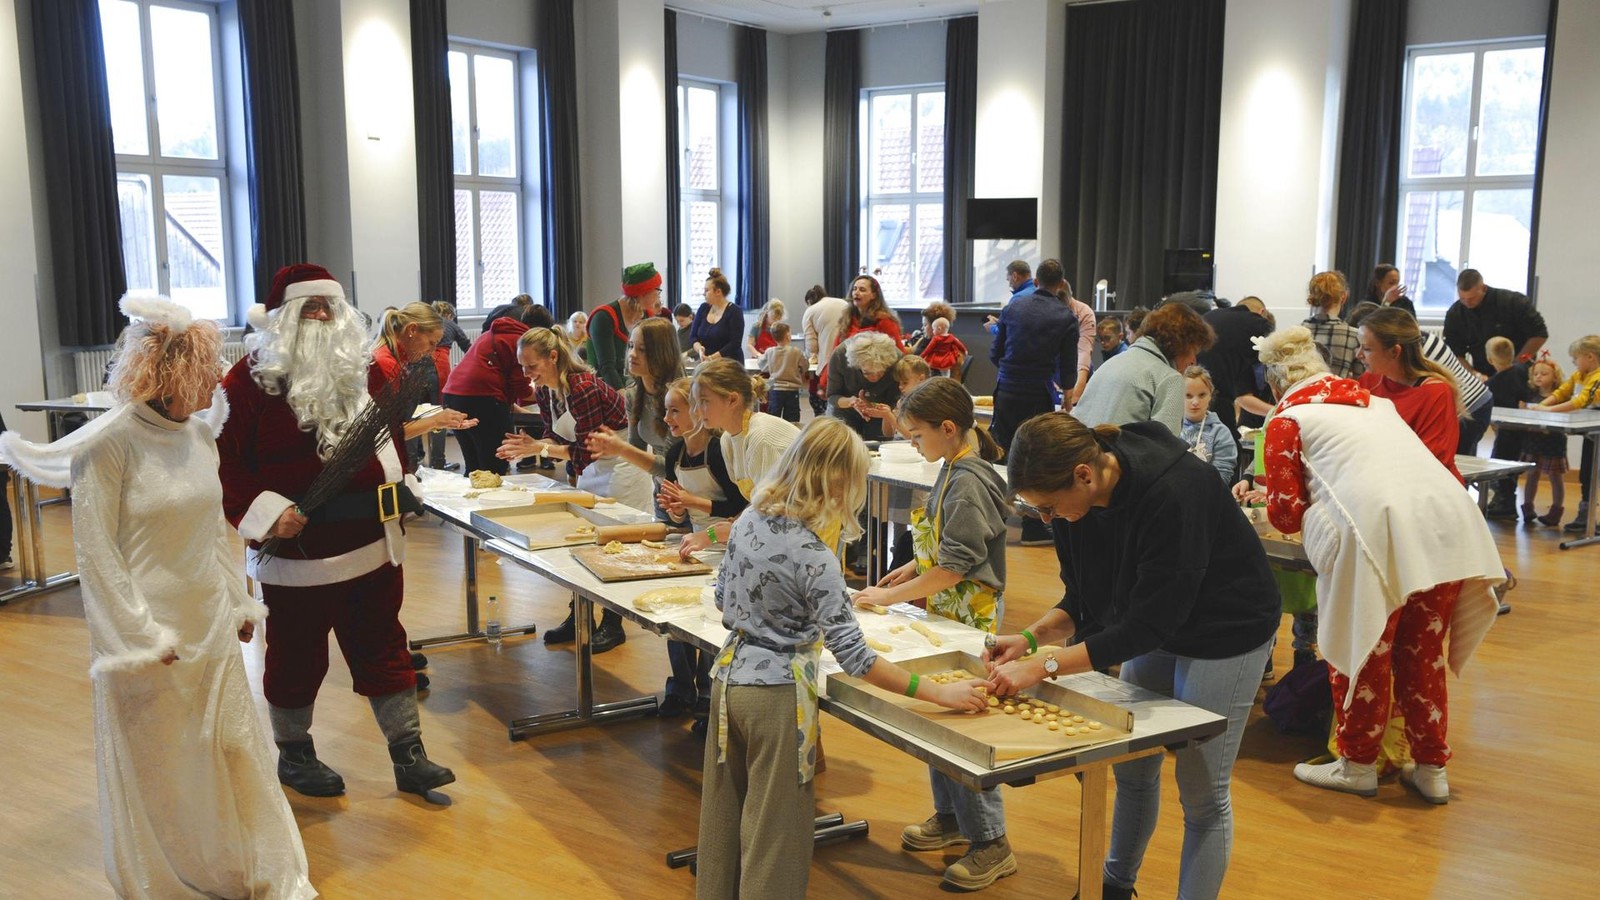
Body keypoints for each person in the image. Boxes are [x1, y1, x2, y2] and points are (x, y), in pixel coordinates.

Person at [0, 294, 316, 899]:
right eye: (204, 370)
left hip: (209, 622)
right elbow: (97, 555)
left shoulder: (199, 436)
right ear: (170, 374)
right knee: (166, 767)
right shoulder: (109, 444)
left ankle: (242, 867)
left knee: (228, 750)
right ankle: (180, 873)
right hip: (149, 635)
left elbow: (207, 534)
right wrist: (139, 638)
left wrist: (237, 601)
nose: (216, 381)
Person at [987, 412, 1279, 900]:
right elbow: (1085, 600)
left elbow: (1146, 625)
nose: (1047, 518)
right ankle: (1114, 887)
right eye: (1038, 509)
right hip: (1158, 624)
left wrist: (1044, 666)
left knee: (1202, 791)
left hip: (1228, 627)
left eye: (1050, 507)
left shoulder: (1176, 490)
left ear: (1085, 473)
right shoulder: (1071, 505)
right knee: (1132, 765)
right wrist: (1031, 640)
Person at [696, 417, 988, 900]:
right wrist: (937, 691)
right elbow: (856, 659)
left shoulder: (749, 518)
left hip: (730, 681)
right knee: (776, 836)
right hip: (777, 699)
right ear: (836, 480)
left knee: (723, 823)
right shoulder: (815, 555)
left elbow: (725, 599)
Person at [219, 263, 455, 802]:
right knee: (296, 657)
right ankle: (295, 753)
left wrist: (403, 490)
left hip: (370, 545)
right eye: (309, 307)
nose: (321, 316)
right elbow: (224, 462)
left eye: (328, 305)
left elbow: (391, 438)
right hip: (295, 552)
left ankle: (408, 754)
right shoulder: (247, 382)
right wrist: (265, 514)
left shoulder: (364, 372)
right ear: (283, 318)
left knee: (384, 645)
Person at [1254, 326, 1503, 804]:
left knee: (1365, 646)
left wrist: (1272, 500)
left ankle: (1357, 763)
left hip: (1381, 532)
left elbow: (1286, 513)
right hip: (1449, 525)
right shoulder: (1375, 404)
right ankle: (1431, 768)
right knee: (1422, 651)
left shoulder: (1288, 419)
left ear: (1276, 382)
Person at [853, 379, 1016, 891]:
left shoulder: (970, 480)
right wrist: (908, 571)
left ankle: (991, 840)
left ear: (948, 429)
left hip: (969, 613)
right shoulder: (951, 467)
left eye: (918, 435)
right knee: (936, 716)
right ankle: (951, 817)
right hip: (948, 610)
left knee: (960, 721)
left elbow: (958, 566)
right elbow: (940, 555)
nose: (914, 445)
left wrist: (890, 596)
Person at [589, 376, 743, 733]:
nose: (668, 418)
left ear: (699, 412)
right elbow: (681, 510)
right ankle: (680, 687)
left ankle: (708, 695)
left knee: (707, 615)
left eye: (675, 410)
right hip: (695, 540)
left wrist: (692, 502)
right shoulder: (676, 451)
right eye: (666, 410)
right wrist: (676, 510)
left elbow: (738, 504)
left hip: (726, 542)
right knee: (678, 611)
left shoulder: (720, 450)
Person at [496, 326, 648, 652]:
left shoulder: (583, 388)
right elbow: (560, 440)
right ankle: (578, 616)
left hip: (620, 467)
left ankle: (612, 621)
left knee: (613, 544)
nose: (527, 374)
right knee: (579, 541)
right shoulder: (545, 392)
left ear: (553, 357)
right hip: (589, 466)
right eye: (522, 367)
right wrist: (537, 446)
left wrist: (540, 448)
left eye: (532, 366)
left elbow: (588, 447)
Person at [989, 258, 1081, 545]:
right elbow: (1068, 367)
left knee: (1000, 452)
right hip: (1038, 393)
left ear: (1036, 281)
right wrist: (1067, 394)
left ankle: (994, 521)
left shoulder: (1014, 306)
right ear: (1061, 284)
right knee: (1034, 457)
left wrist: (1008, 370)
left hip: (1006, 389)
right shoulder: (1066, 316)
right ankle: (1033, 527)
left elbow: (996, 351)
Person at [674, 360, 800, 560]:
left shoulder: (761, 438)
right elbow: (756, 505)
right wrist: (728, 525)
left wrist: (713, 534)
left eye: (705, 401)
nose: (697, 411)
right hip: (780, 530)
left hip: (806, 532)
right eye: (695, 402)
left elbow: (773, 513)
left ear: (732, 400)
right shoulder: (727, 440)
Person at [1074, 302, 1215, 437]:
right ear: (1180, 344)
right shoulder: (1169, 378)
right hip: (1120, 460)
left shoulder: (1110, 364)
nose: (1193, 361)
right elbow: (1166, 449)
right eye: (1193, 350)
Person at [1354, 307, 1463, 478]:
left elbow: (1433, 461)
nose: (1358, 354)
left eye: (1367, 349)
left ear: (1394, 352)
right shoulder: (1369, 380)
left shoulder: (1435, 392)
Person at [371, 303, 477, 471]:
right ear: (412, 330)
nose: (431, 351)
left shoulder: (393, 359)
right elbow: (386, 434)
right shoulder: (386, 364)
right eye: (431, 343)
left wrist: (440, 421)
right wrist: (435, 420)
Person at [443, 304, 537, 475]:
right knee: (494, 464)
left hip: (452, 395)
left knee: (473, 465)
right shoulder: (522, 341)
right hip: (482, 399)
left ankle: (471, 499)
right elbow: (521, 389)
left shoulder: (489, 334)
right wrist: (550, 396)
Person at [1531, 335, 1600, 532]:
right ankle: (1586, 513)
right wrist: (1541, 405)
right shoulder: (1580, 375)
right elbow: (1563, 391)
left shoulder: (1598, 377)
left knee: (1595, 472)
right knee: (1587, 472)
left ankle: (1589, 514)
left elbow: (1582, 401)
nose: (1573, 362)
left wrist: (1550, 411)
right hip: (1592, 430)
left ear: (1590, 357)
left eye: (1575, 358)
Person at [1443, 268, 1548, 377]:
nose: (1467, 303)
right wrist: (1473, 375)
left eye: (1472, 298)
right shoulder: (1455, 314)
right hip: (1483, 375)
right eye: (1462, 298)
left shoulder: (1512, 302)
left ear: (1483, 288)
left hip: (1520, 371)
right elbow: (1454, 352)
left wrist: (1515, 367)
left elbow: (1539, 334)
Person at [1196, 295, 1273, 433]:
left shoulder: (1208, 316)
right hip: (1221, 398)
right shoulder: (1258, 323)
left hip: (1194, 389)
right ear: (1262, 312)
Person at [589, 262, 666, 389]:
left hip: (636, 389)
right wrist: (624, 400)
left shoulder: (647, 317)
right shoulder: (603, 317)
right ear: (643, 292)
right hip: (605, 390)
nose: (659, 295)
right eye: (657, 290)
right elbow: (607, 368)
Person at [1483, 336, 1531, 518]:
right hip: (1521, 428)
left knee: (1500, 463)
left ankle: (1504, 504)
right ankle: (1506, 502)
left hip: (1506, 430)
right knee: (1512, 466)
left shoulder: (1492, 384)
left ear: (1489, 359)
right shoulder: (1520, 370)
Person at [826, 331, 903, 440]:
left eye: (881, 372)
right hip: (845, 409)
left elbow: (896, 399)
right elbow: (832, 396)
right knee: (844, 445)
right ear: (856, 365)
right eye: (867, 373)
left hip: (882, 411)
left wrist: (878, 409)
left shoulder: (896, 359)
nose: (875, 377)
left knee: (880, 446)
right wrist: (851, 402)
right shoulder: (840, 356)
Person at [1521, 357, 1570, 525]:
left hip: (1553, 443)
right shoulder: (1530, 395)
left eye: (1544, 373)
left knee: (1555, 477)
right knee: (1531, 475)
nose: (1539, 377)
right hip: (1532, 442)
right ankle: (1527, 507)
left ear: (1555, 377)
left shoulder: (1560, 398)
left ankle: (1556, 510)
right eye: (1536, 374)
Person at [428, 301, 473, 469]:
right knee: (439, 413)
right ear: (449, 315)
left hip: (417, 368)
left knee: (416, 416)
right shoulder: (450, 324)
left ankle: (412, 464)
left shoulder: (426, 324)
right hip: (440, 368)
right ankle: (438, 462)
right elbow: (469, 349)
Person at [1181, 365, 1238, 483]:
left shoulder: (1221, 433)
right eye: (1188, 396)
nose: (1195, 402)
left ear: (1210, 395)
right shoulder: (1170, 428)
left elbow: (1222, 477)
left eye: (1202, 395)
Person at [1302, 271, 1363, 379]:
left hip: (1302, 394)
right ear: (1343, 297)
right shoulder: (1354, 335)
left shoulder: (1298, 332)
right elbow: (1361, 379)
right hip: (1338, 394)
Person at [800, 284, 850, 413]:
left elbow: (812, 346)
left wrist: (812, 355)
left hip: (829, 360)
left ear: (809, 301)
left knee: (825, 399)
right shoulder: (843, 303)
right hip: (852, 356)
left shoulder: (810, 311)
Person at [691, 268, 745, 362]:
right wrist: (700, 349)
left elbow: (735, 343)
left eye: (707, 290)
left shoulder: (734, 311)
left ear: (718, 292)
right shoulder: (703, 308)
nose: (704, 294)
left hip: (729, 362)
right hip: (707, 361)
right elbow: (693, 337)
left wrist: (712, 358)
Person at [757, 322, 807, 423]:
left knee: (773, 418)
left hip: (775, 389)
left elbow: (762, 365)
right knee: (792, 419)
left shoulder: (770, 352)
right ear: (788, 335)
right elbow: (805, 366)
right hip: (792, 390)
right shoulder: (796, 352)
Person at [842, 274, 905, 350]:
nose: (856, 293)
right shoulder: (848, 318)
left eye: (862, 290)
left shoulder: (884, 320)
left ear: (873, 295)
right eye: (854, 289)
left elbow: (898, 351)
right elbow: (835, 350)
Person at [982, 259, 1035, 336]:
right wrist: (1001, 323)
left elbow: (1008, 332)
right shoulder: (1038, 291)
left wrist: (991, 327)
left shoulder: (1018, 298)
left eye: (1008, 280)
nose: (1009, 284)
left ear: (1014, 276)